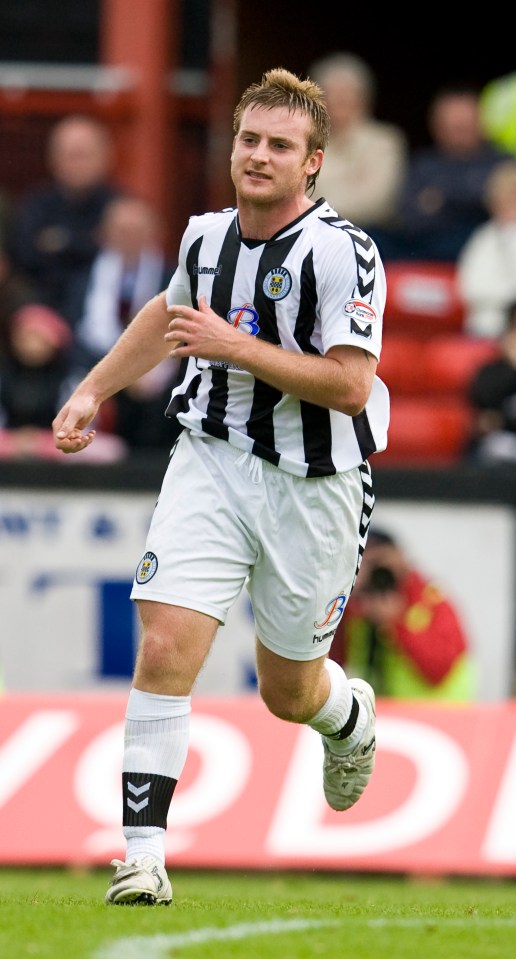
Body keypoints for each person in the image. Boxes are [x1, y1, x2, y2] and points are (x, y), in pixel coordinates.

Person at [52, 67, 389, 905]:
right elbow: (165, 320)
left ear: (313, 162)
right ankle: (141, 855)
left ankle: (347, 719)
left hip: (315, 483)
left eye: (281, 145)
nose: (260, 156)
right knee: (164, 642)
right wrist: (92, 388)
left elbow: (350, 387)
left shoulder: (344, 252)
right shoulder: (204, 239)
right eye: (249, 139)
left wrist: (233, 346)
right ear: (232, 146)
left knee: (288, 690)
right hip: (209, 456)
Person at [68, 195, 180, 452]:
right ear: (104, 234)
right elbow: (74, 335)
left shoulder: (174, 279)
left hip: (157, 377)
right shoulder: (82, 280)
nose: (129, 238)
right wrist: (118, 370)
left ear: (155, 233)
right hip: (95, 367)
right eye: (121, 231)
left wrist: (143, 368)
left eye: (136, 231)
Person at [330, 527, 476, 701]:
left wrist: (394, 624)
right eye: (366, 563)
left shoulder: (431, 600)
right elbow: (331, 664)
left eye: (380, 561)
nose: (376, 571)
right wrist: (345, 588)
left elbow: (437, 670)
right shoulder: (356, 608)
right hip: (380, 714)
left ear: (399, 556)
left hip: (437, 715)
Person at [8, 114, 120, 320]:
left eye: (84, 155)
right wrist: (88, 241)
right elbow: (25, 258)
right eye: (71, 155)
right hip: (45, 313)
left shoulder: (122, 208)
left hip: (107, 315)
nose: (77, 164)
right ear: (52, 158)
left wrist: (60, 243)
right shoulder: (35, 205)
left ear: (106, 156)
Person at [383, 85, 510, 262]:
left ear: (481, 122)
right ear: (436, 126)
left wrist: (441, 199)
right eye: (453, 126)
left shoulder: (503, 162)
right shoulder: (423, 164)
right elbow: (410, 219)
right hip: (426, 247)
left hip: (484, 251)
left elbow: (503, 215)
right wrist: (474, 198)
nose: (459, 132)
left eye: (465, 125)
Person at [309, 52, 408, 246]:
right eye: (331, 94)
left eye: (346, 94)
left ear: (363, 98)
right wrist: (350, 183)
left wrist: (320, 196)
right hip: (312, 234)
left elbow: (378, 203)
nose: (338, 101)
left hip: (368, 237)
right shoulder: (307, 143)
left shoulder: (385, 141)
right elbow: (294, 195)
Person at [457, 159, 516, 338]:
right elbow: (470, 289)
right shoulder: (484, 237)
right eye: (506, 198)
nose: (510, 204)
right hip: (483, 329)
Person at [466, 301, 516, 463]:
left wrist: (501, 420)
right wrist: (511, 368)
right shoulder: (492, 371)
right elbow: (484, 402)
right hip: (500, 448)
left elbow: (496, 419)